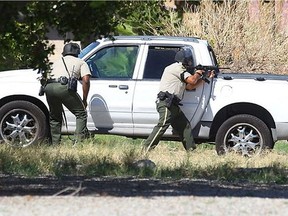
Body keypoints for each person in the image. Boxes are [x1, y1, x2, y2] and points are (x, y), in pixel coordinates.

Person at [143, 46, 214, 153]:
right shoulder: (177, 68)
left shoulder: (181, 70)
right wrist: (199, 73)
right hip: (166, 102)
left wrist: (205, 78)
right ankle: (146, 149)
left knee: (185, 126)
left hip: (173, 104)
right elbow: (192, 81)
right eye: (189, 60)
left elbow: (190, 87)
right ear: (184, 60)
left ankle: (191, 151)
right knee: (162, 125)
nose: (191, 62)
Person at [44, 42, 91, 145]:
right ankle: (77, 143)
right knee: (81, 114)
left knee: (55, 117)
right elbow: (86, 80)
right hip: (64, 87)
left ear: (64, 52)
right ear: (77, 52)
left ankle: (55, 144)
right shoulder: (81, 62)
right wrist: (84, 99)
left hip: (49, 87)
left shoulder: (55, 62)